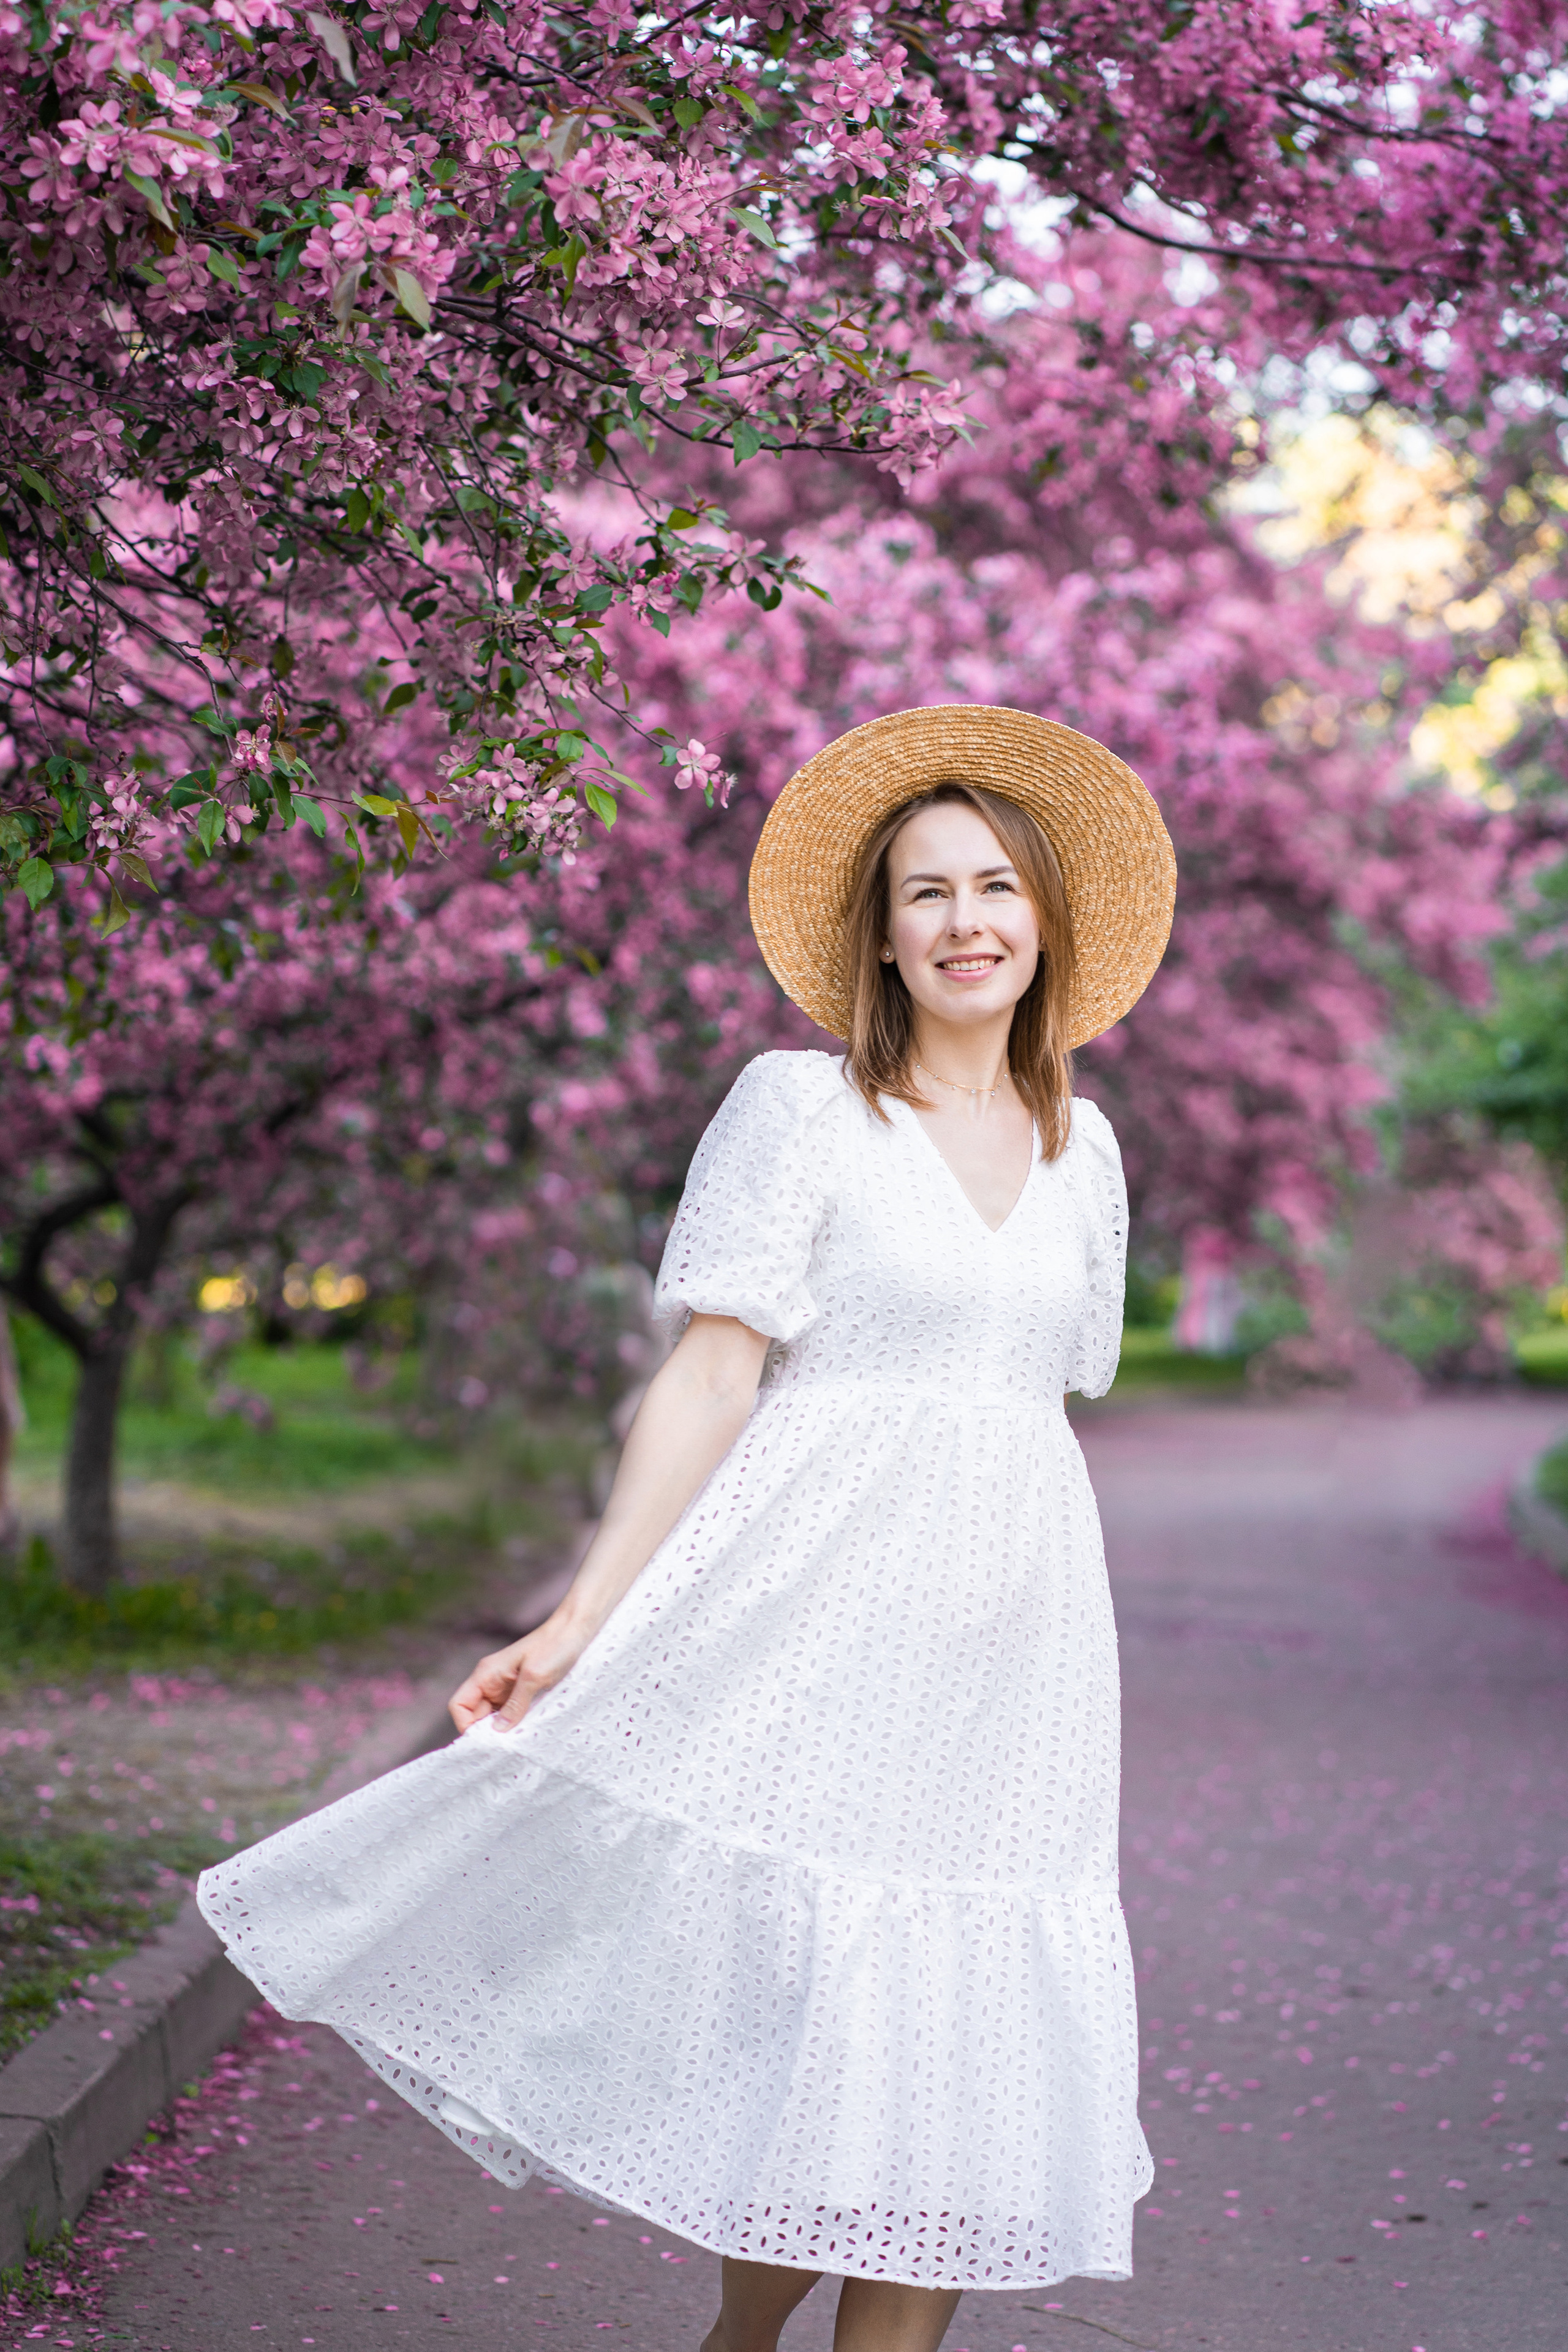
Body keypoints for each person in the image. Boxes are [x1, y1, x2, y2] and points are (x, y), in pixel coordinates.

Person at [198, 703, 1177, 2352]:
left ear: (1047, 922)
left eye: (997, 887)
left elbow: (1034, 1405)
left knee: (949, 2042)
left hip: (1017, 1671)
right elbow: (713, 1377)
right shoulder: (806, 1111)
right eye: (927, 892)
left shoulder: (1093, 1159)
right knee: (813, 2013)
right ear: (879, 931)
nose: (966, 922)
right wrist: (581, 1619)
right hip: (812, 1619)